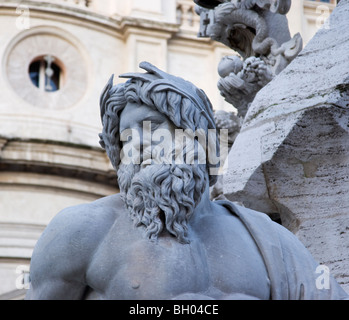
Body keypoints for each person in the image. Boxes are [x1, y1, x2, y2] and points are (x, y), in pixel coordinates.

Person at [26, 62, 348, 300]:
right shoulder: (82, 230)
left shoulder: (270, 241)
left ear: (196, 136)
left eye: (152, 125)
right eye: (126, 137)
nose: (137, 143)